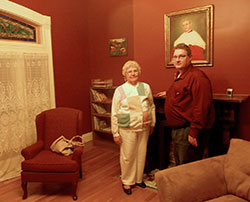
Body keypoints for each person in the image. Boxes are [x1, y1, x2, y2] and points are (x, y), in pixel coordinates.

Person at [157, 43, 215, 166]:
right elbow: (184, 93)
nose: (177, 59)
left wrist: (194, 132)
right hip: (178, 129)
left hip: (187, 129)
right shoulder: (181, 75)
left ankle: (188, 186)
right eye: (175, 57)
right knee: (179, 164)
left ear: (190, 58)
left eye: (182, 56)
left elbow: (201, 106)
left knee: (187, 167)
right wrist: (169, 93)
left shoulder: (197, 77)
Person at [111, 60, 156, 195]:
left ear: (139, 72)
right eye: (129, 71)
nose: (133, 73)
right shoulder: (120, 90)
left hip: (143, 127)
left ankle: (137, 179)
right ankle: (127, 181)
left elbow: (151, 106)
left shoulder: (145, 87)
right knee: (128, 155)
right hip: (127, 128)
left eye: (135, 70)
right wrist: (115, 133)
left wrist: (152, 123)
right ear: (125, 74)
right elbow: (114, 112)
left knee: (141, 154)